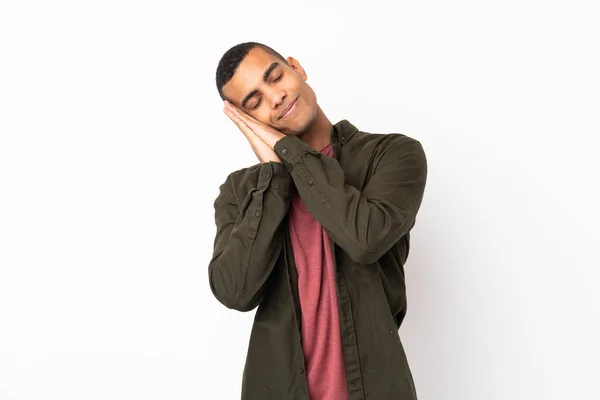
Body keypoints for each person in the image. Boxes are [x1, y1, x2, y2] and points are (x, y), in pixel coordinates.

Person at [209, 41, 428, 400]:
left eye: (275, 77)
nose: (275, 98)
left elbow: (364, 240)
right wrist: (275, 178)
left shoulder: (391, 155)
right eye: (255, 101)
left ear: (297, 67)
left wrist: (287, 151)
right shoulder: (241, 191)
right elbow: (235, 291)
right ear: (246, 118)